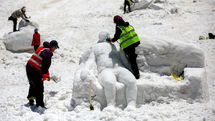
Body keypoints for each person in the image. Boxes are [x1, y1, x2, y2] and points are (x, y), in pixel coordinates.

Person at [76, 31, 137, 109]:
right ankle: (111, 105)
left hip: (119, 68)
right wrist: (86, 69)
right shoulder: (95, 47)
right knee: (109, 83)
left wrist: (130, 68)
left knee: (131, 81)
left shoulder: (113, 46)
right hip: (105, 70)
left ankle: (131, 104)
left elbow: (122, 58)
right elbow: (91, 60)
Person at [26, 40, 59, 108]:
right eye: (55, 48)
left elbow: (43, 64)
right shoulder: (48, 52)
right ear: (53, 47)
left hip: (29, 67)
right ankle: (40, 105)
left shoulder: (42, 48)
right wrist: (45, 74)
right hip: (34, 70)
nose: (55, 49)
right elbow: (45, 65)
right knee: (39, 87)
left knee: (32, 84)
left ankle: (31, 99)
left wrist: (46, 74)